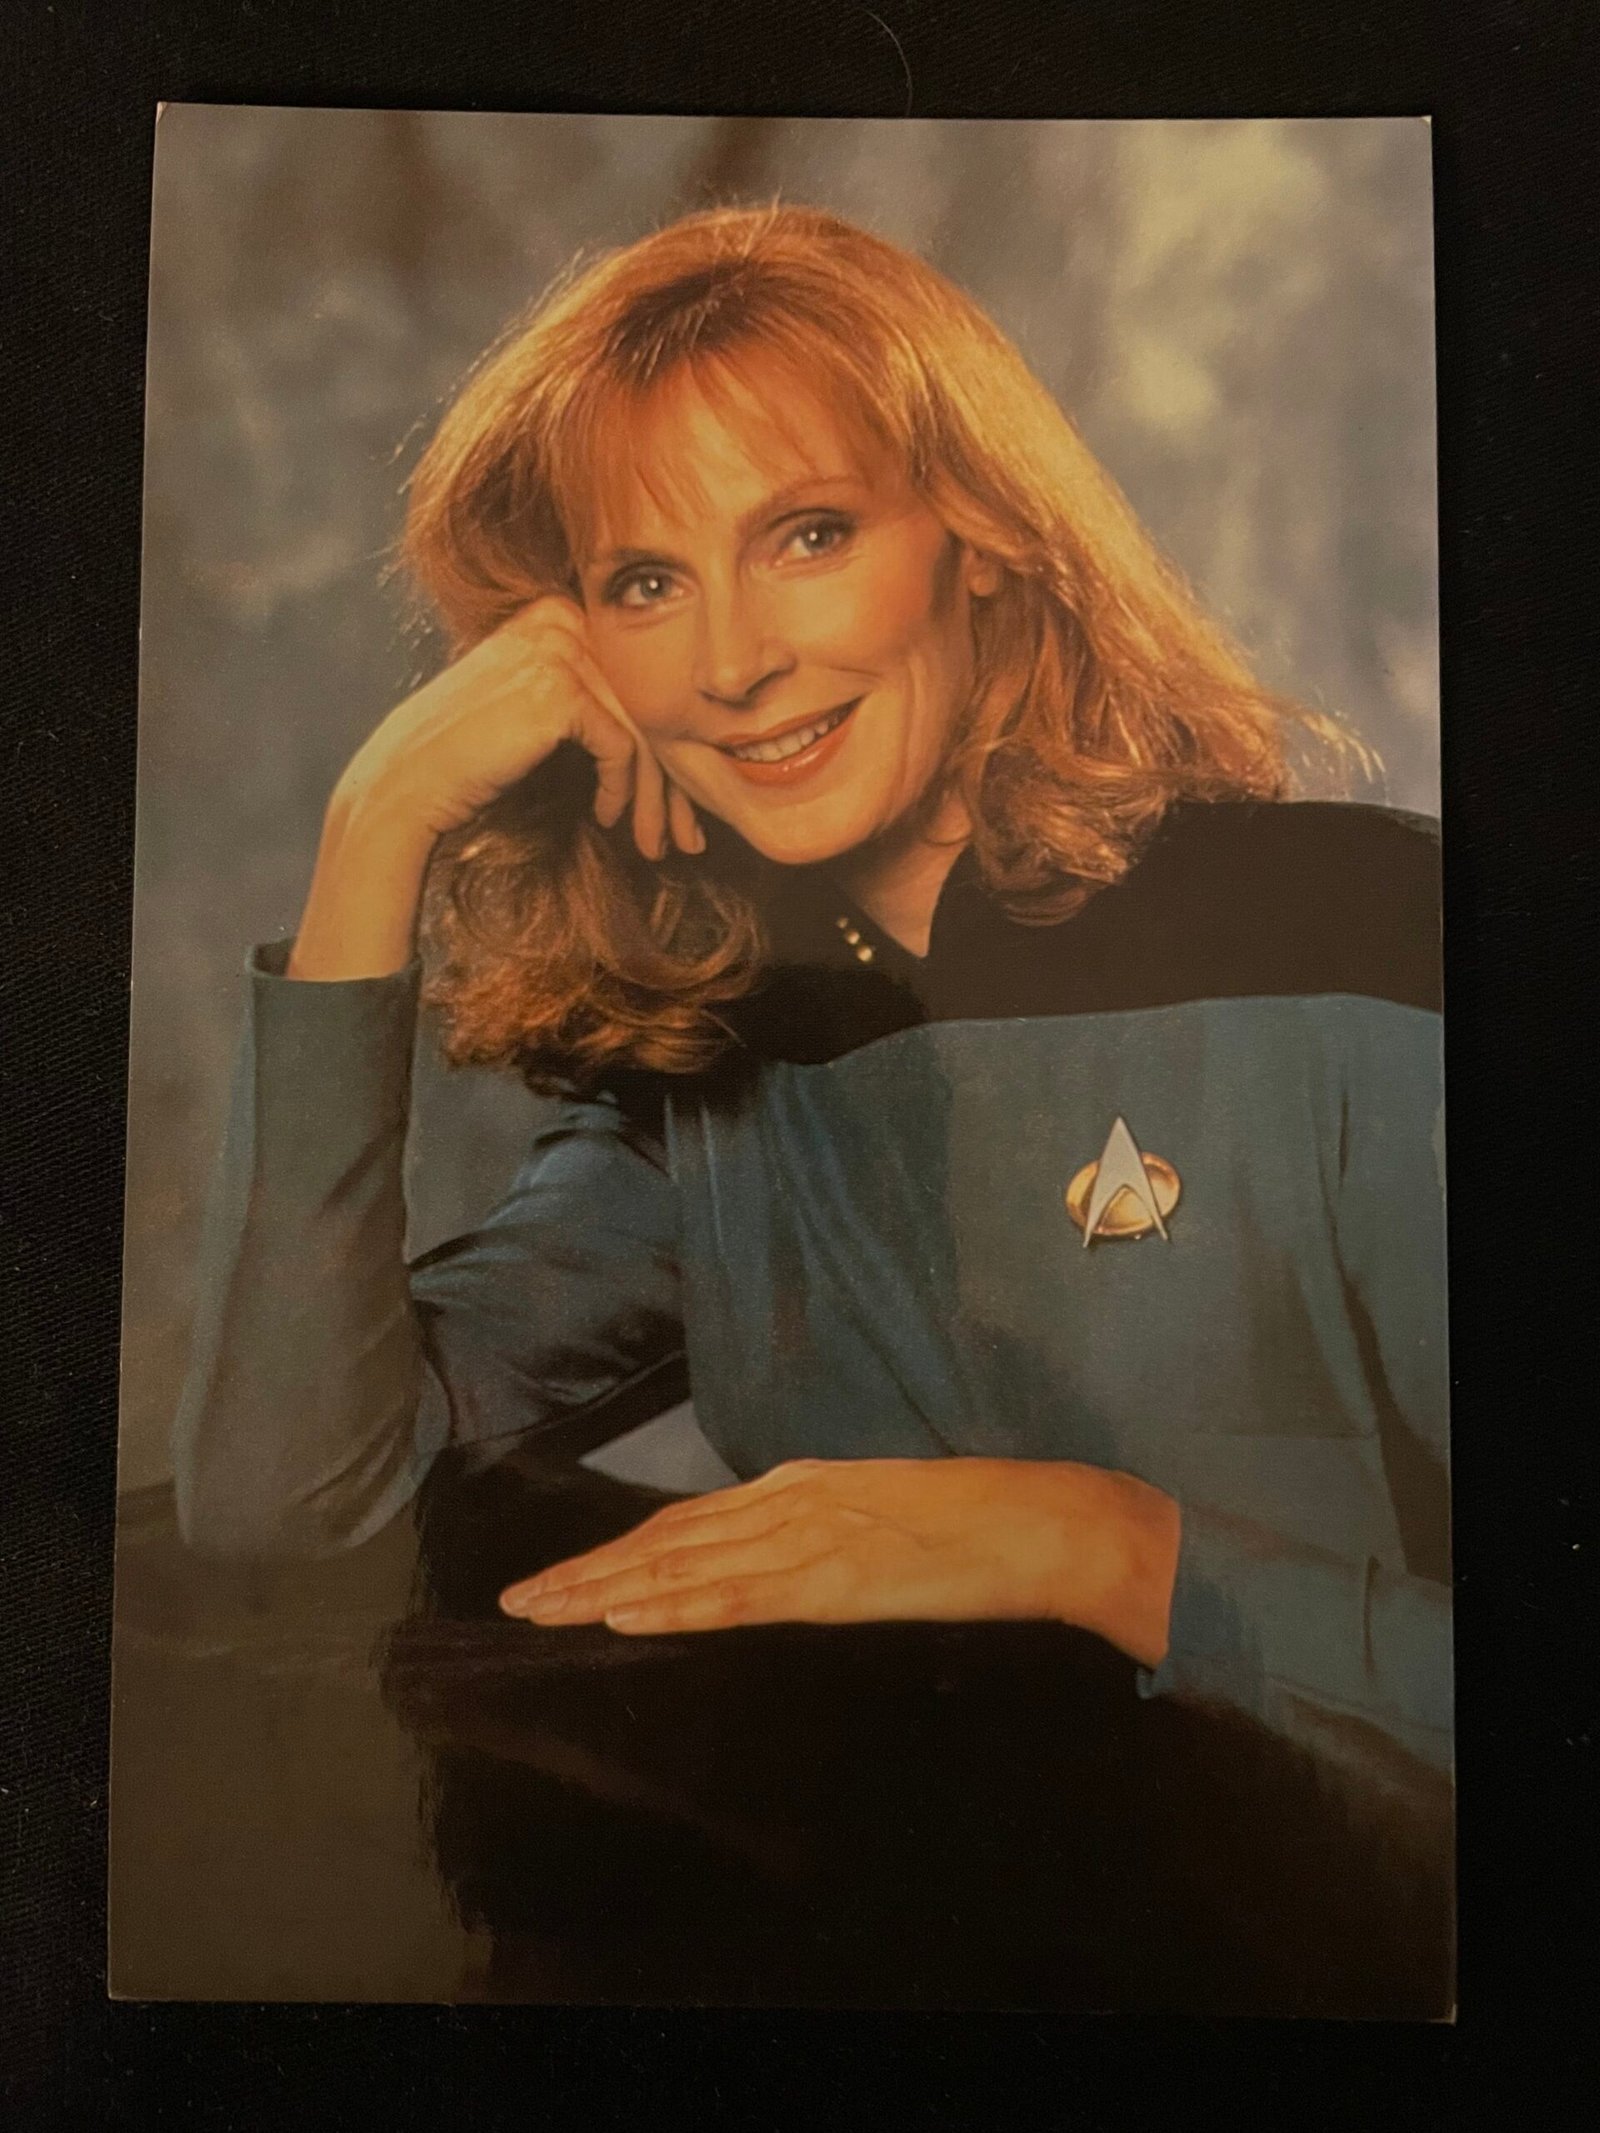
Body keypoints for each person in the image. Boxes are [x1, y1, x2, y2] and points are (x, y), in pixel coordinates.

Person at [174, 203, 1451, 1838]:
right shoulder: (714, 1073)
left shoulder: (1365, 939)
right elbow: (283, 1514)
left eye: (809, 536)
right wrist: (374, 829)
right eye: (647, 583)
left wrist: (1103, 1548)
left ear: (979, 539)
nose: (732, 664)